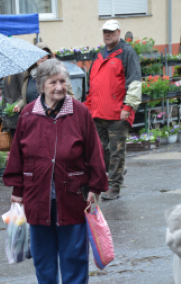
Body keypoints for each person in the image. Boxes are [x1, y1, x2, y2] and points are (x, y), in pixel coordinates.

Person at [3, 59, 108, 284]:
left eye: (63, 81)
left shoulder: (79, 112)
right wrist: (17, 190)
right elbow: (17, 155)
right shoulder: (28, 113)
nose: (59, 87)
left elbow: (95, 151)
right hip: (36, 193)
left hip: (72, 191)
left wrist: (95, 186)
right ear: (41, 86)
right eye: (53, 82)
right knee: (42, 249)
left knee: (73, 248)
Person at [84, 19, 142, 200]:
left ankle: (114, 186)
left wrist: (128, 106)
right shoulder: (99, 54)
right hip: (98, 112)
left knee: (117, 151)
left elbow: (134, 81)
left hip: (118, 113)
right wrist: (87, 107)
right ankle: (116, 170)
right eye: (105, 32)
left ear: (118, 32)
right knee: (100, 150)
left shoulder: (127, 52)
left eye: (111, 31)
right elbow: (92, 85)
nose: (107, 35)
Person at [13, 42, 75, 114]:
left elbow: (70, 96)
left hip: (53, 117)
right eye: (39, 54)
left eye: (44, 54)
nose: (42, 57)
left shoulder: (58, 74)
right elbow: (25, 99)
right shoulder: (28, 76)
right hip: (33, 118)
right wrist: (19, 105)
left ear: (48, 57)